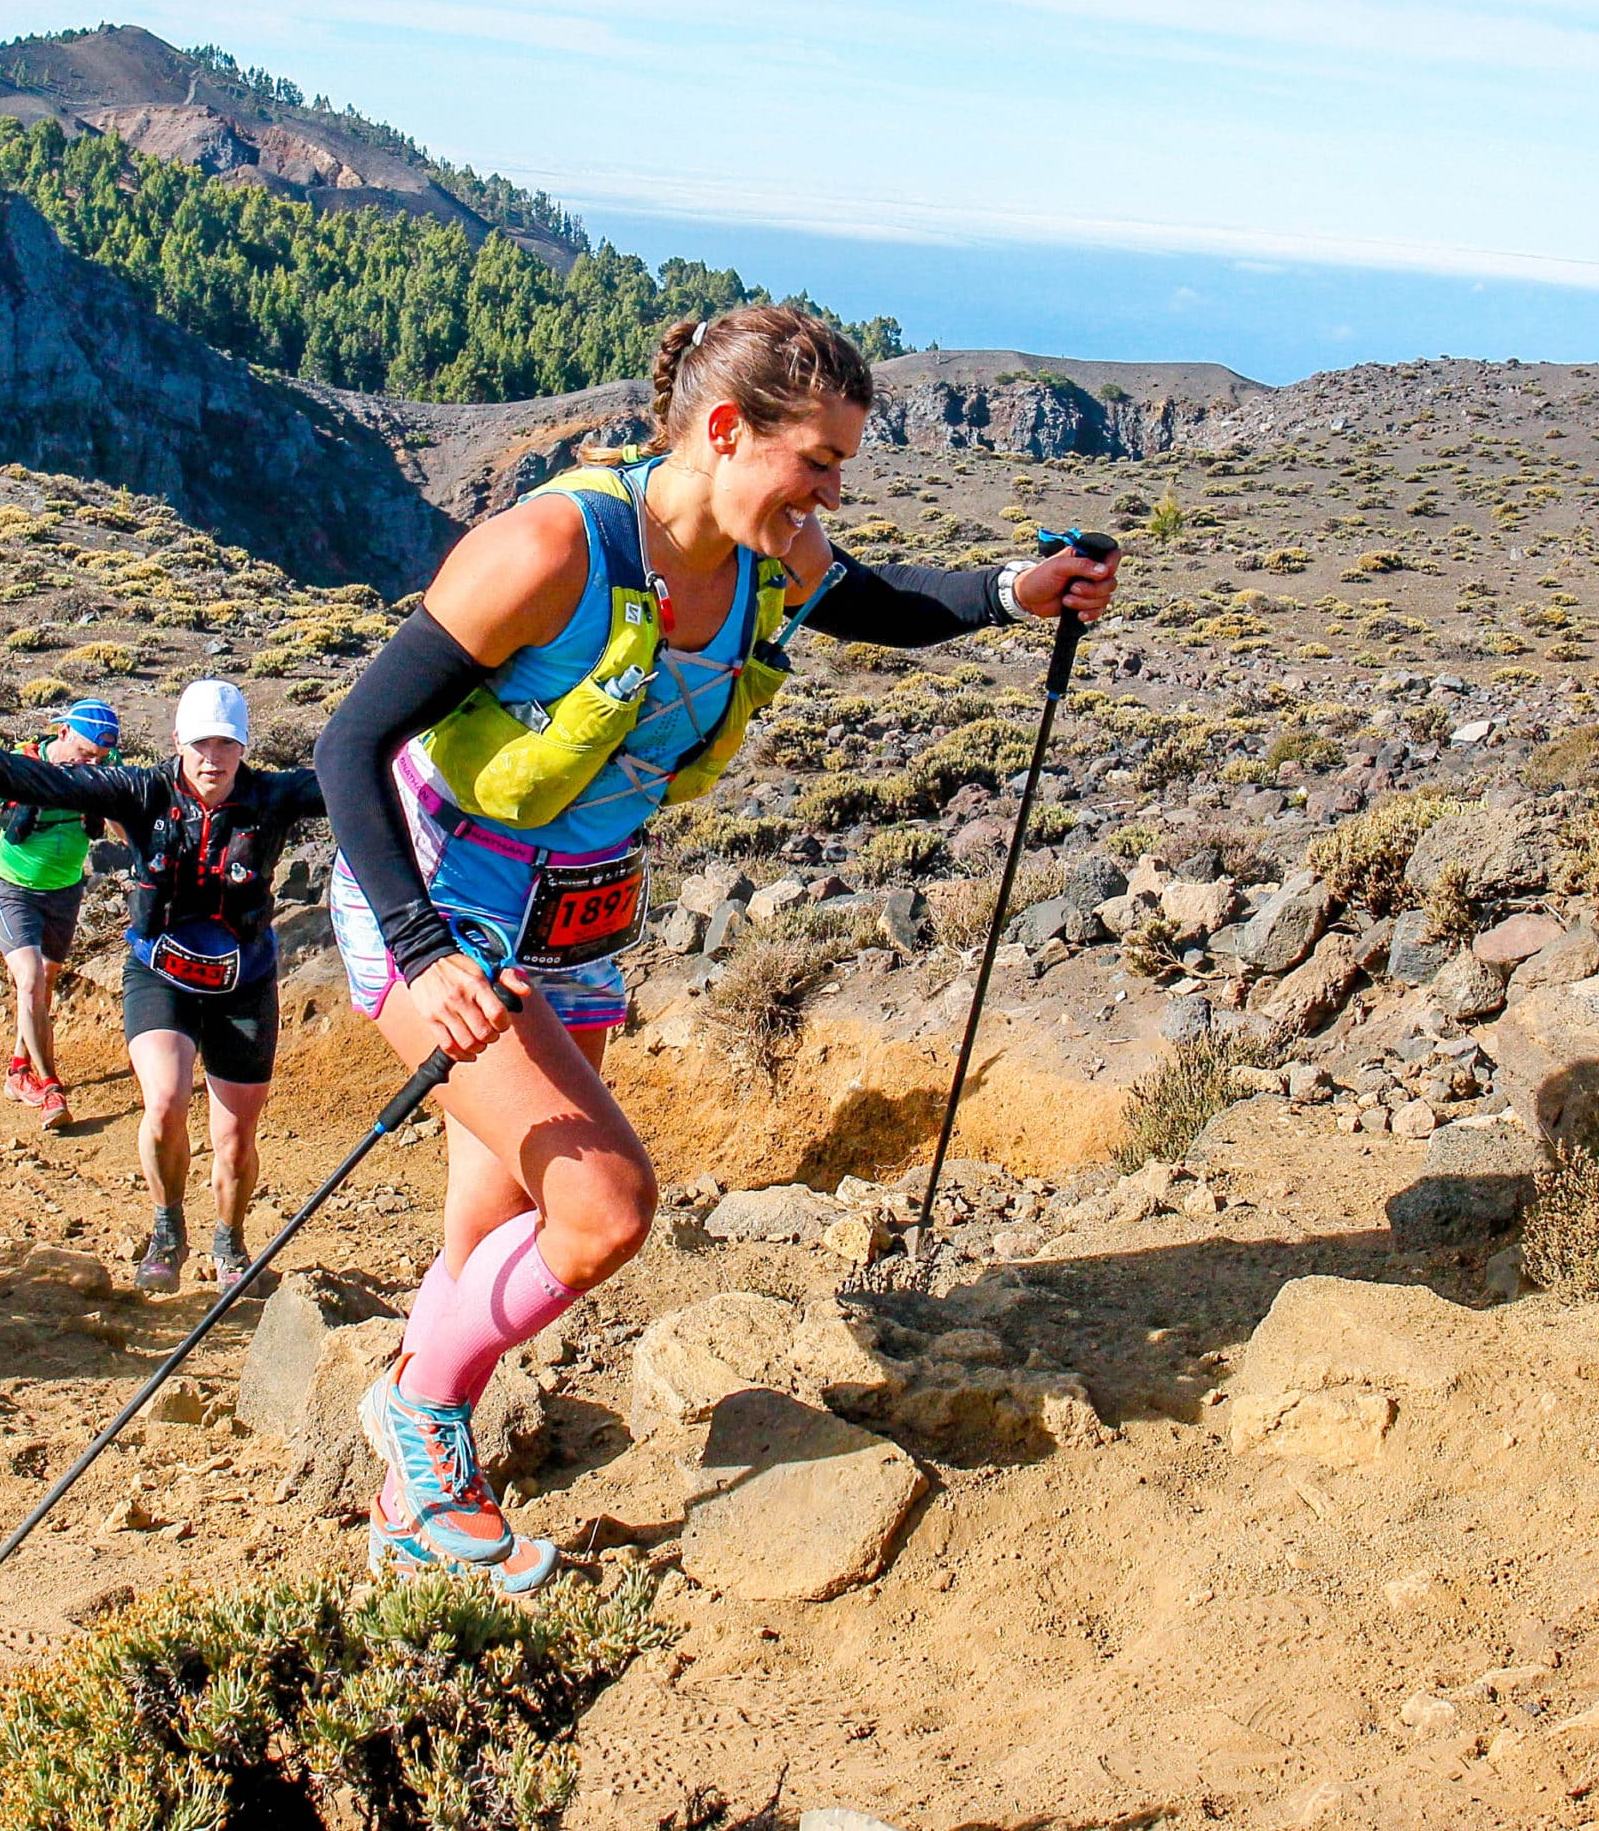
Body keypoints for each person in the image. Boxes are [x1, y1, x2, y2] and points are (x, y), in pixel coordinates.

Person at [310, 305, 1123, 1591]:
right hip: (439, 903)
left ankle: (422, 1475)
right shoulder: (543, 551)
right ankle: (419, 1421)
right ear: (730, 432)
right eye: (819, 463)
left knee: (496, 1216)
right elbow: (346, 746)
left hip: (577, 908)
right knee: (601, 1207)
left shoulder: (772, 550)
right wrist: (424, 951)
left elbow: (876, 602)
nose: (831, 495)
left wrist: (1013, 595)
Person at [0, 679, 329, 1287]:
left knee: (234, 1138)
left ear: (244, 746)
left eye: (227, 744)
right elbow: (51, 781)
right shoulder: (143, 790)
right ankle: (167, 1226)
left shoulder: (271, 798)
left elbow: (357, 780)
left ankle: (229, 1243)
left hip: (245, 981)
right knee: (165, 1102)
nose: (214, 758)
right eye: (201, 742)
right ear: (177, 739)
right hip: (160, 972)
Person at [0, 698, 119, 1119]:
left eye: (101, 758)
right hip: (12, 887)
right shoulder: (22, 768)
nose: (91, 763)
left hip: (65, 889)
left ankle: (19, 1070)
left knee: (43, 985)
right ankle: (50, 1086)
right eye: (86, 754)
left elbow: (118, 815)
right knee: (31, 980)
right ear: (63, 734)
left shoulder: (103, 768)